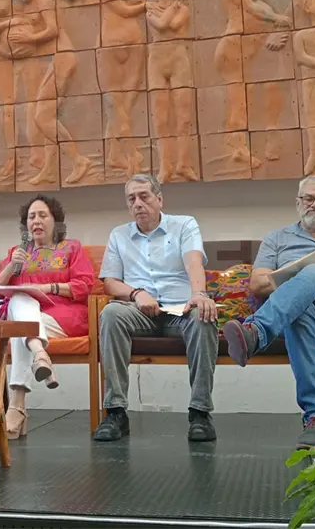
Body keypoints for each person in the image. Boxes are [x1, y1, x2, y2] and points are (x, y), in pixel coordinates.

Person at [222, 175, 315, 450]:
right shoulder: (277, 238)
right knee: (299, 310)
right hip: (294, 313)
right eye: (308, 198)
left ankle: (256, 332)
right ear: (298, 202)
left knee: (313, 273)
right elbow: (257, 283)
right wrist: (300, 289)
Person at [95, 174, 219, 442]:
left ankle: (200, 413)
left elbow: (194, 262)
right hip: (139, 312)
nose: (138, 203)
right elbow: (110, 282)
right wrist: (136, 293)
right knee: (111, 313)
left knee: (203, 315)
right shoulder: (119, 235)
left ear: (159, 199)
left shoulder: (184, 225)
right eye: (131, 199)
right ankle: (116, 412)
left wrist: (199, 295)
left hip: (180, 311)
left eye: (144, 196)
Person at [0, 195, 95, 439]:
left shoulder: (71, 248)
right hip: (27, 316)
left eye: (42, 215)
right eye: (31, 217)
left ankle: (17, 404)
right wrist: (10, 266)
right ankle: (39, 354)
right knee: (19, 301)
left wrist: (48, 288)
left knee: (18, 328)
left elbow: (84, 284)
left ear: (56, 221)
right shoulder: (17, 253)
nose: (36, 221)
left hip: (62, 316)